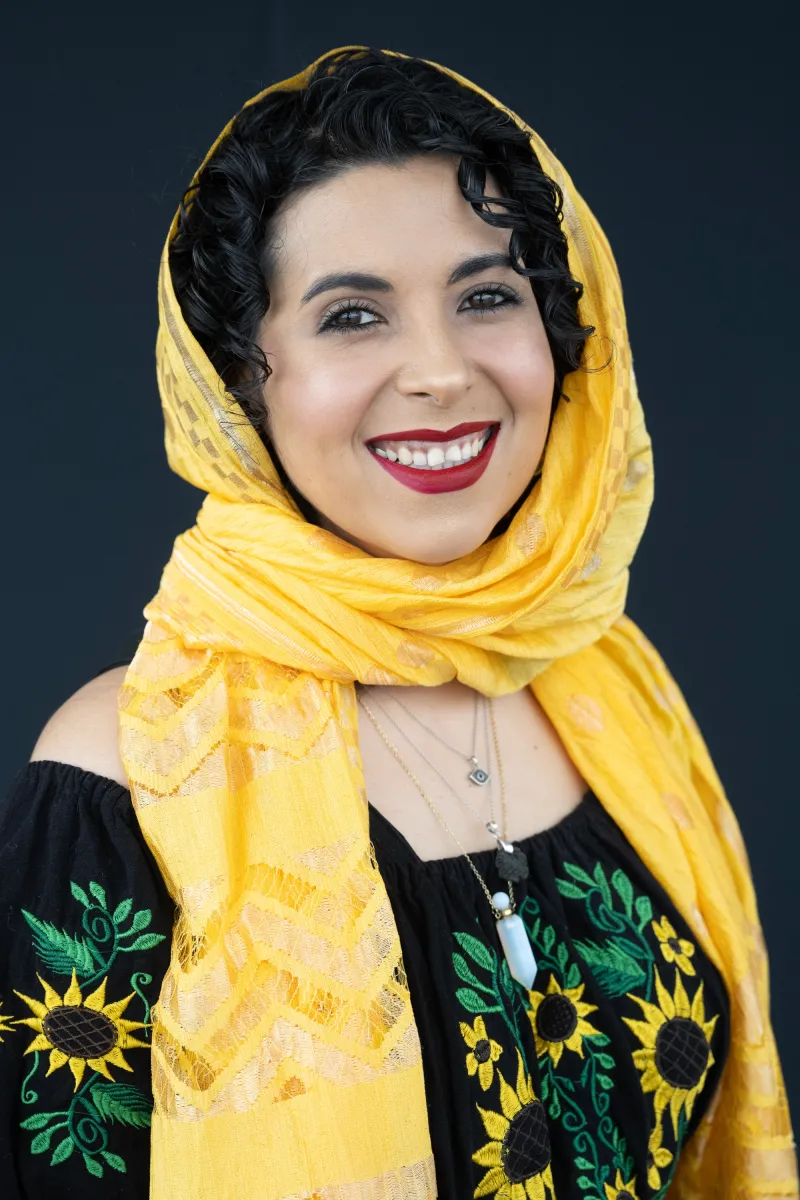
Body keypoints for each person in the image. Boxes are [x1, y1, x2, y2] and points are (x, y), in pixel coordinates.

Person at [0, 45, 794, 1200]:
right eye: (352, 316)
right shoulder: (125, 769)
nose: (438, 373)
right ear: (242, 382)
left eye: (484, 298)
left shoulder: (606, 682)